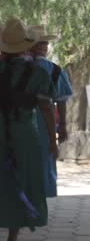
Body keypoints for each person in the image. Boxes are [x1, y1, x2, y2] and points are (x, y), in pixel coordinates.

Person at [0, 18, 57, 241]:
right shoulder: (39, 73)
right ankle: (13, 235)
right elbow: (46, 109)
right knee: (21, 181)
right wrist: (52, 141)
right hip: (24, 134)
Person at [29, 25, 73, 198]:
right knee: (44, 159)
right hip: (42, 125)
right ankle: (39, 196)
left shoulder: (10, 67)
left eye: (45, 44)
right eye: (42, 44)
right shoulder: (54, 70)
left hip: (14, 121)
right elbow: (60, 100)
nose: (44, 47)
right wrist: (62, 124)